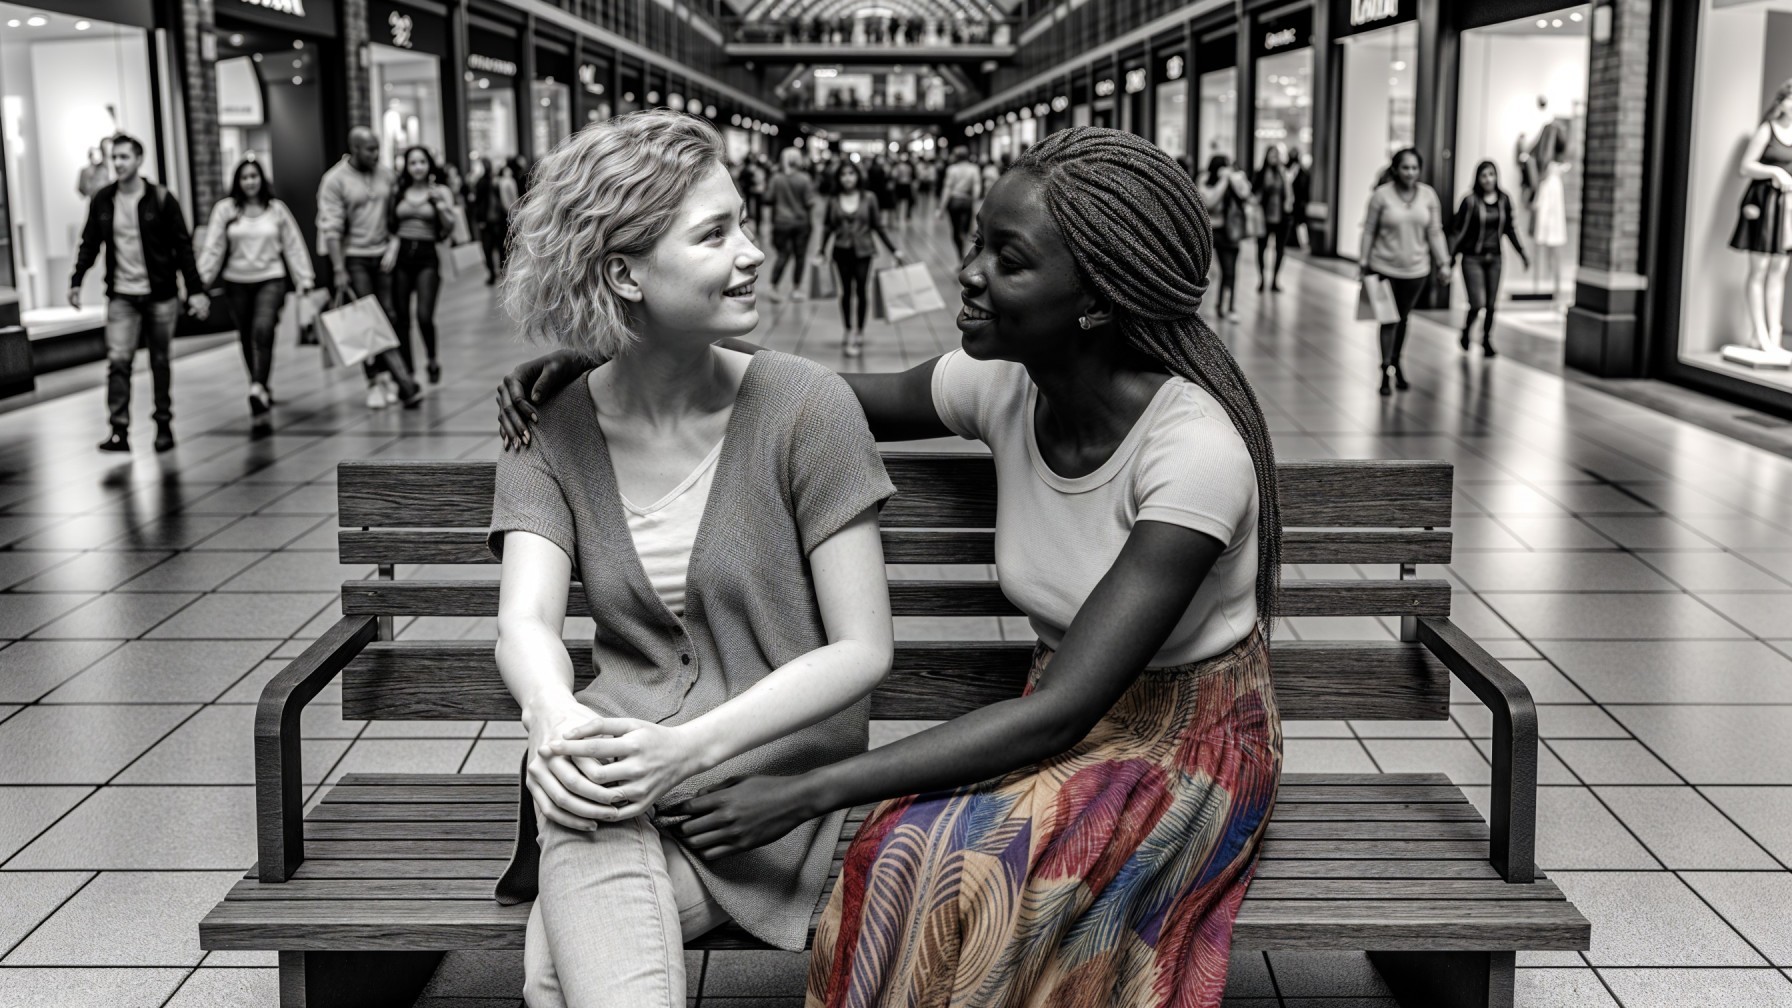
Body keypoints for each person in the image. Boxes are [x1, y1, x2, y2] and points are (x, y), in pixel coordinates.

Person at [495, 126, 1284, 1008]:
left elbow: (1064, 713)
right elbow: (814, 389)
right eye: (977, 242)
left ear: (1093, 301)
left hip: (1179, 742)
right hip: (1052, 713)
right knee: (901, 861)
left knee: (956, 882)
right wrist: (613, 347)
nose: (968, 270)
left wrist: (805, 791)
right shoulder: (1002, 386)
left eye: (1007, 260)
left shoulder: (1194, 454)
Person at [489, 108, 896, 1008]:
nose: (753, 252)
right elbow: (525, 619)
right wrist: (551, 714)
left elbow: (864, 650)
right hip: (613, 763)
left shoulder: (804, 407)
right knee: (576, 825)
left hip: (766, 776)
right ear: (623, 272)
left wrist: (686, 748)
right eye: (715, 234)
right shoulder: (548, 427)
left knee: (559, 965)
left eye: (743, 223)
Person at [70, 133, 210, 453]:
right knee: (118, 360)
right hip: (122, 295)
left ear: (138, 160)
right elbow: (90, 243)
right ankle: (119, 429)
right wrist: (77, 279)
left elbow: (183, 247)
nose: (118, 163)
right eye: (114, 157)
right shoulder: (103, 200)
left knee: (160, 360)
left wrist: (196, 290)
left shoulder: (161, 199)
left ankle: (163, 423)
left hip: (160, 294)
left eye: (124, 157)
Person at [196, 158, 315, 428]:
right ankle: (258, 382)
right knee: (247, 335)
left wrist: (304, 278)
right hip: (236, 282)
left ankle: (258, 387)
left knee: (263, 330)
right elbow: (213, 248)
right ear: (237, 181)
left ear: (262, 179)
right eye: (245, 177)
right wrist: (200, 283)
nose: (250, 182)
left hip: (270, 279)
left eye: (254, 176)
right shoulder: (226, 210)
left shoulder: (276, 210)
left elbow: (293, 245)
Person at [316, 126, 423, 409]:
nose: (376, 154)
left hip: (384, 255)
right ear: (354, 149)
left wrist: (393, 243)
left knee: (388, 315)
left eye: (377, 148)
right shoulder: (334, 181)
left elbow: (397, 214)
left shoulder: (385, 174)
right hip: (354, 258)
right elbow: (331, 229)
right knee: (367, 320)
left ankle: (391, 377)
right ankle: (384, 381)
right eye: (369, 149)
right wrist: (339, 269)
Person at [1359, 147, 1450, 396]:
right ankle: (1385, 369)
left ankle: (1397, 362)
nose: (1410, 172)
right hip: (1382, 268)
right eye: (1405, 167)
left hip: (1416, 271)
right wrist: (1363, 261)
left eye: (1414, 168)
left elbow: (1435, 231)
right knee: (1388, 320)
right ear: (1396, 170)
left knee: (1403, 318)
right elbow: (1368, 229)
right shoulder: (1381, 196)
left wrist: (1444, 262)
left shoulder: (1428, 196)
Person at [814, 160, 903, 357]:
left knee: (861, 291)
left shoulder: (869, 198)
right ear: (838, 178)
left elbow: (877, 226)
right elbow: (828, 226)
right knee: (846, 292)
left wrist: (893, 249)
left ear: (858, 176)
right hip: (841, 251)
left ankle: (859, 331)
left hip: (864, 252)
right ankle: (847, 328)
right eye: (843, 174)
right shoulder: (834, 199)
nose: (848, 178)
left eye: (851, 174)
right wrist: (821, 249)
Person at [388, 146, 457, 384]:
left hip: (428, 255)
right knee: (402, 317)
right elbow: (391, 224)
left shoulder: (440, 192)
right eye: (412, 163)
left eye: (422, 162)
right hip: (402, 256)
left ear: (429, 165)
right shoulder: (398, 191)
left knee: (424, 316)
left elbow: (450, 228)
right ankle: (408, 373)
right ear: (406, 167)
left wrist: (440, 206)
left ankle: (431, 358)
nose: (418, 167)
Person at [1449, 160, 1529, 358]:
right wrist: (1450, 257)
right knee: (1477, 303)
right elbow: (1457, 230)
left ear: (1496, 176)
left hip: (1495, 258)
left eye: (1491, 174)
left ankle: (1486, 339)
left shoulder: (1504, 200)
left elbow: (1510, 229)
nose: (1488, 179)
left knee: (1492, 304)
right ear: (1478, 178)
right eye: (1484, 175)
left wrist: (1522, 253)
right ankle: (1467, 331)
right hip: (1472, 258)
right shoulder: (1470, 201)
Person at [1199, 154, 1253, 321]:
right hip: (1211, 231)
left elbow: (1245, 194)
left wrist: (1235, 178)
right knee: (1208, 272)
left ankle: (1228, 307)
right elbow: (1209, 202)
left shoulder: (1233, 179)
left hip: (1230, 230)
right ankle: (1201, 304)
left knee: (1230, 271)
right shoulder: (1204, 180)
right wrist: (1224, 182)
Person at [765, 147, 814, 303]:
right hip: (801, 222)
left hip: (781, 222)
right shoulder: (804, 179)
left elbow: (768, 198)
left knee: (782, 255)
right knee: (800, 256)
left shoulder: (776, 178)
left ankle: (774, 286)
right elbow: (809, 202)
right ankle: (796, 289)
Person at [1253, 145, 1292, 292]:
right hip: (1264, 217)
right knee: (1261, 249)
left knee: (1280, 249)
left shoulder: (1283, 174)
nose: (1275, 157)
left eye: (1277, 154)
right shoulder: (1261, 173)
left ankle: (1275, 280)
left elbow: (1289, 194)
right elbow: (1254, 193)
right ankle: (1262, 279)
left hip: (1282, 217)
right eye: (1272, 154)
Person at [939, 147, 981, 259]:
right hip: (967, 201)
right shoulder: (974, 168)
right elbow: (977, 187)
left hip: (954, 201)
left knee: (956, 230)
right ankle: (966, 248)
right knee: (966, 229)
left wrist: (941, 209)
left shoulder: (952, 169)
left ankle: (960, 255)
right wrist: (974, 201)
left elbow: (947, 189)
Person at [889, 155, 916, 224]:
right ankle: (907, 215)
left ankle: (898, 215)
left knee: (899, 201)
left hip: (901, 185)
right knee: (906, 201)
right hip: (906, 185)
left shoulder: (898, 167)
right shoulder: (909, 167)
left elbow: (894, 175)